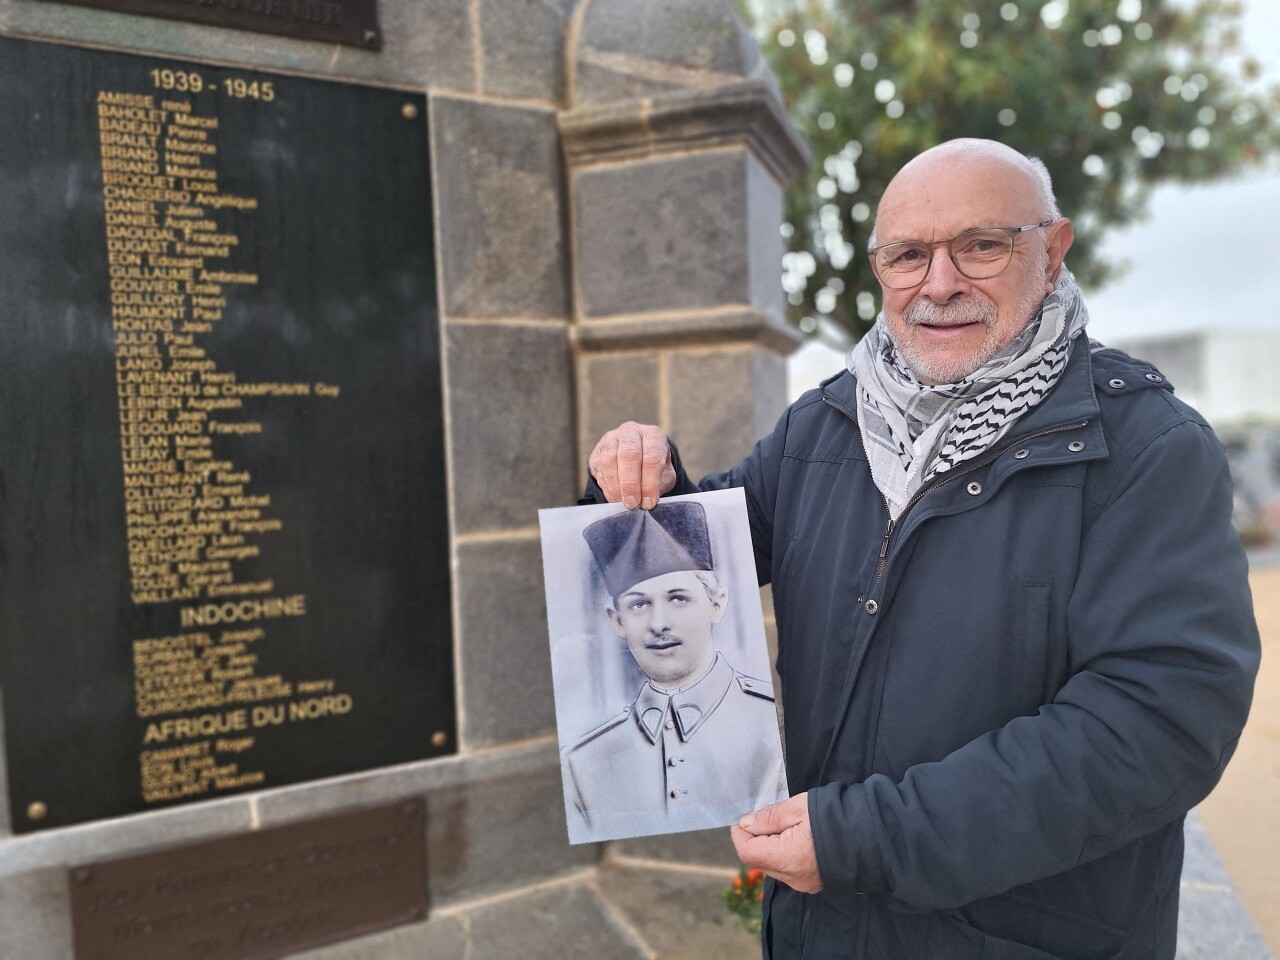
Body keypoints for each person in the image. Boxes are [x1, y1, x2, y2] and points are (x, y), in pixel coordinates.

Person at [583, 139, 1260, 958]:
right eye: (907, 255)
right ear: (880, 269)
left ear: (1052, 251)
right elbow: (696, 561)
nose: (939, 284)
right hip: (822, 933)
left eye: (981, 245)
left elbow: (1156, 725)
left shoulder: (1147, 446)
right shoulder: (822, 427)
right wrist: (637, 484)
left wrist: (865, 838)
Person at [562, 500, 788, 844]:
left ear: (717, 603)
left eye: (678, 599)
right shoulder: (583, 762)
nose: (659, 624)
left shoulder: (773, 727)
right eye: (639, 604)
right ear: (617, 620)